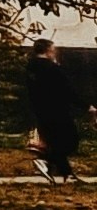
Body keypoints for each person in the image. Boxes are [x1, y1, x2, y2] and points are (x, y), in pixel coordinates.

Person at [28, 41, 83, 184]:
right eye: (53, 50)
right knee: (70, 140)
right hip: (57, 110)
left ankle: (65, 172)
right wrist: (85, 106)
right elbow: (66, 90)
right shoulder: (52, 69)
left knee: (55, 142)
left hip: (40, 110)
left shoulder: (30, 68)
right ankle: (45, 162)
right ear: (48, 50)